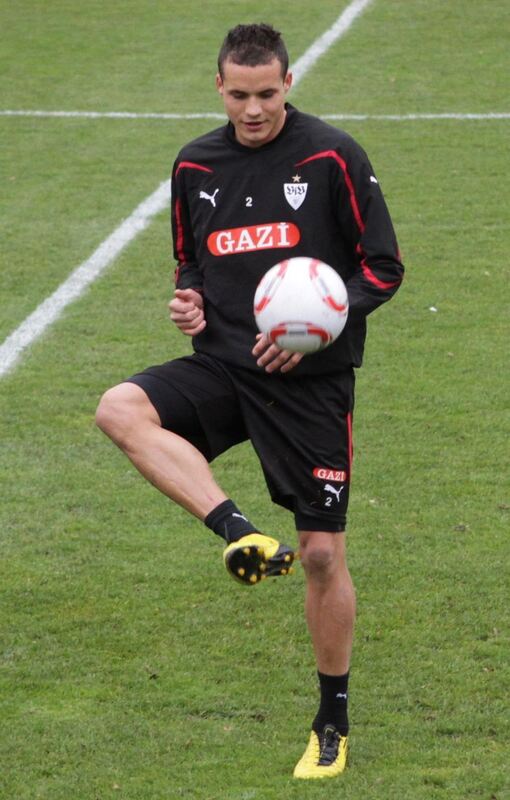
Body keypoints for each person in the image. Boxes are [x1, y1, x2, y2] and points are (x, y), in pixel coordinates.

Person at [96, 22, 404, 779]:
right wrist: (189, 302)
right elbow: (189, 264)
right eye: (240, 95)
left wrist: (324, 328)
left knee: (325, 557)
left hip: (310, 383)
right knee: (119, 409)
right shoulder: (196, 162)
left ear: (289, 84)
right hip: (227, 367)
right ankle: (239, 533)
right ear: (219, 88)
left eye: (267, 94)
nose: (254, 109)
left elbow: (384, 267)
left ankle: (331, 721)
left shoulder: (333, 155)